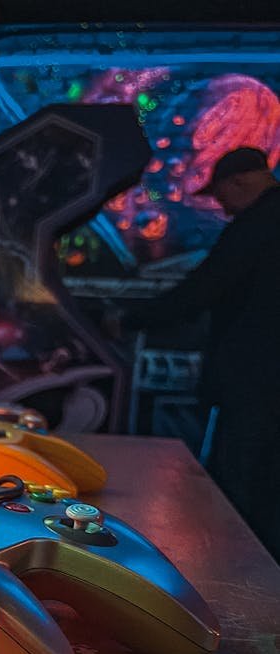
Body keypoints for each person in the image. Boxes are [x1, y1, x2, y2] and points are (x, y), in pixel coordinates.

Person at [117, 146, 280, 561]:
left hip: (255, 382)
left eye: (220, 194)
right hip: (263, 381)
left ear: (239, 181)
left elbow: (204, 289)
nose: (221, 207)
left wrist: (130, 319)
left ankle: (246, 581)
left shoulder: (257, 224)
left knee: (243, 494)